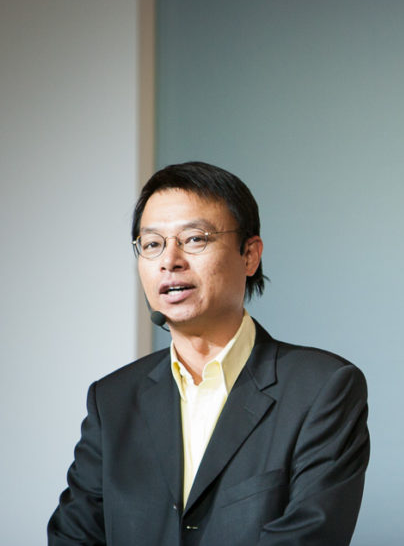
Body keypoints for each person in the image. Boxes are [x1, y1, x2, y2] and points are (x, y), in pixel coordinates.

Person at [49, 161, 370, 545]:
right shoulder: (112, 400)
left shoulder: (321, 389)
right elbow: (73, 537)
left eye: (194, 239)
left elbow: (308, 536)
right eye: (152, 244)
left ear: (249, 255)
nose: (170, 260)